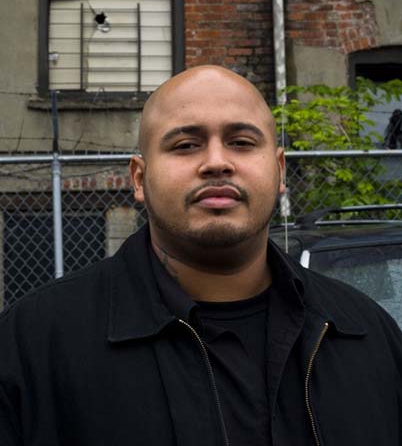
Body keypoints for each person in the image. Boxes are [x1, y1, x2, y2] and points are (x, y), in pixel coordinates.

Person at [0, 65, 401, 446]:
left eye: (241, 143)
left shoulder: (368, 336)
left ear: (279, 171)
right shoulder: (32, 348)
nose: (216, 163)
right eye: (186, 145)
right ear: (139, 178)